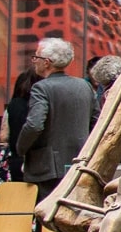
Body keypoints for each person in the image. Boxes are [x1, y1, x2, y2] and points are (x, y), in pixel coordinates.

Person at [16, 38, 98, 199]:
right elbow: (96, 122)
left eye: (36, 57)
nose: (34, 61)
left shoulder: (42, 88)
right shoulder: (84, 86)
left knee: (47, 218)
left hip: (47, 167)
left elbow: (34, 125)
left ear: (47, 62)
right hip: (80, 162)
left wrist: (21, 147)